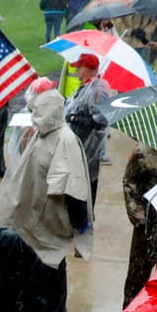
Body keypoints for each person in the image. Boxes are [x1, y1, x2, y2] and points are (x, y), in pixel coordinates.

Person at [0, 88, 90, 312]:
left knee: (47, 265)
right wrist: (81, 221)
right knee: (46, 265)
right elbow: (74, 188)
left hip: (45, 216)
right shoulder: (56, 137)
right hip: (45, 216)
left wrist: (79, 221)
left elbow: (71, 186)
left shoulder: (53, 138)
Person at [121, 145, 157, 308]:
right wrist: (139, 217)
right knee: (136, 278)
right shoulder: (143, 152)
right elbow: (130, 183)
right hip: (147, 226)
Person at [64, 54, 111, 204]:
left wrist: (75, 119)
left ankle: (86, 217)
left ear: (86, 69)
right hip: (78, 148)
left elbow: (101, 121)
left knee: (85, 193)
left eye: (79, 67)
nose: (76, 70)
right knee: (76, 191)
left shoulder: (97, 89)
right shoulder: (87, 86)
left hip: (88, 151)